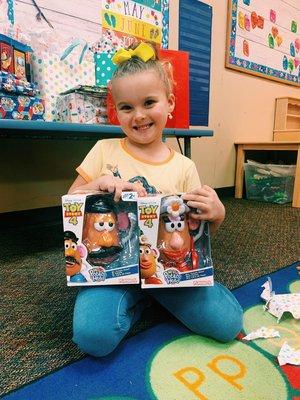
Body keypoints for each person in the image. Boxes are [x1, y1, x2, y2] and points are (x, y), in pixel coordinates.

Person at [68, 42, 243, 357]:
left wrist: (216, 214)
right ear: (116, 110)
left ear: (169, 103)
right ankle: (141, 301)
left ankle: (157, 296)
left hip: (168, 271)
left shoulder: (184, 167)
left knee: (228, 324)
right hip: (112, 270)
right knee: (92, 338)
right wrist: (99, 182)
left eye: (149, 102)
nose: (139, 116)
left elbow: (198, 239)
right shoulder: (103, 149)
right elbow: (71, 202)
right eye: (126, 107)